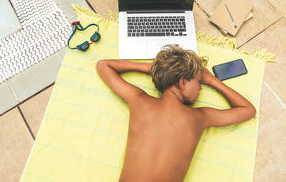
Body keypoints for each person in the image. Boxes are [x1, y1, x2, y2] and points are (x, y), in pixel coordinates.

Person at [96, 45, 256, 182]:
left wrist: (155, 69)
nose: (201, 88)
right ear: (183, 82)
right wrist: (213, 81)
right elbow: (248, 110)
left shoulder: (139, 101)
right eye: (199, 82)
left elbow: (103, 65)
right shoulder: (199, 118)